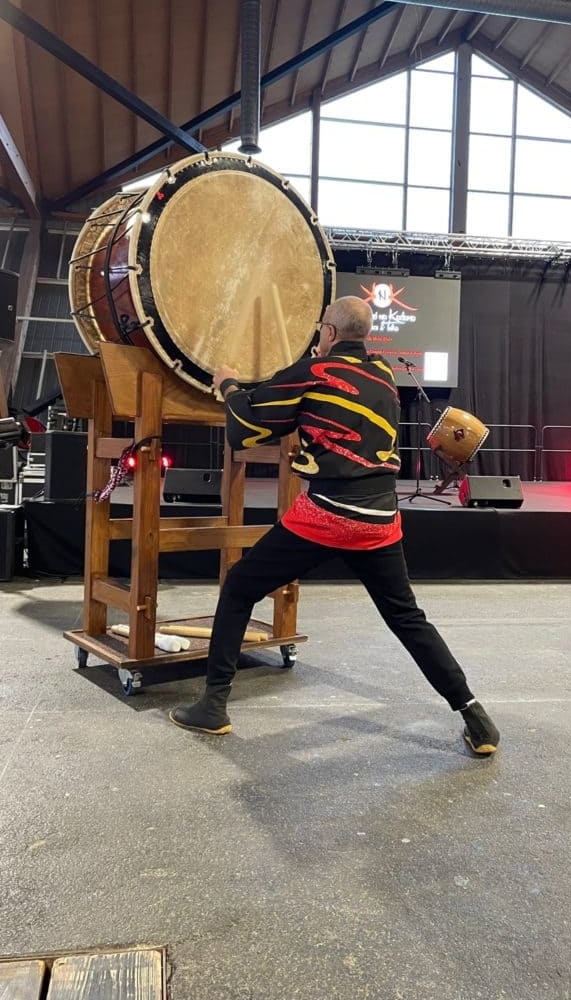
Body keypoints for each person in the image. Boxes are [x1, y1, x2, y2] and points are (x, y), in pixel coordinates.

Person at [170, 297, 500, 756]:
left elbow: (246, 427)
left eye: (321, 329)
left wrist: (228, 384)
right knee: (408, 618)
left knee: (240, 587)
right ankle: (476, 718)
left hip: (327, 514)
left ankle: (213, 706)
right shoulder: (383, 373)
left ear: (328, 332)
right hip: (380, 520)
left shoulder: (314, 371)